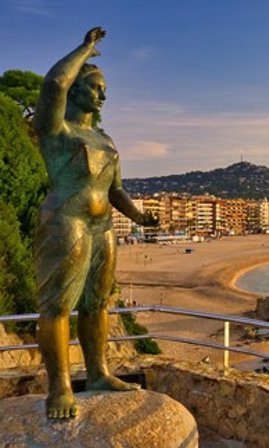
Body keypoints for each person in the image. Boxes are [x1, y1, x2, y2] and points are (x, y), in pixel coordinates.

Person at [33, 27, 156, 419]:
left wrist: (138, 216)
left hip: (103, 229)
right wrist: (85, 51)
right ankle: (60, 389)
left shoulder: (105, 139)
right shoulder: (57, 131)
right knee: (57, 307)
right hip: (66, 223)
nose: (103, 96)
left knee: (97, 304)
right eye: (97, 88)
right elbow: (54, 82)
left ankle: (99, 373)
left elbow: (115, 189)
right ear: (77, 90)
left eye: (104, 90)